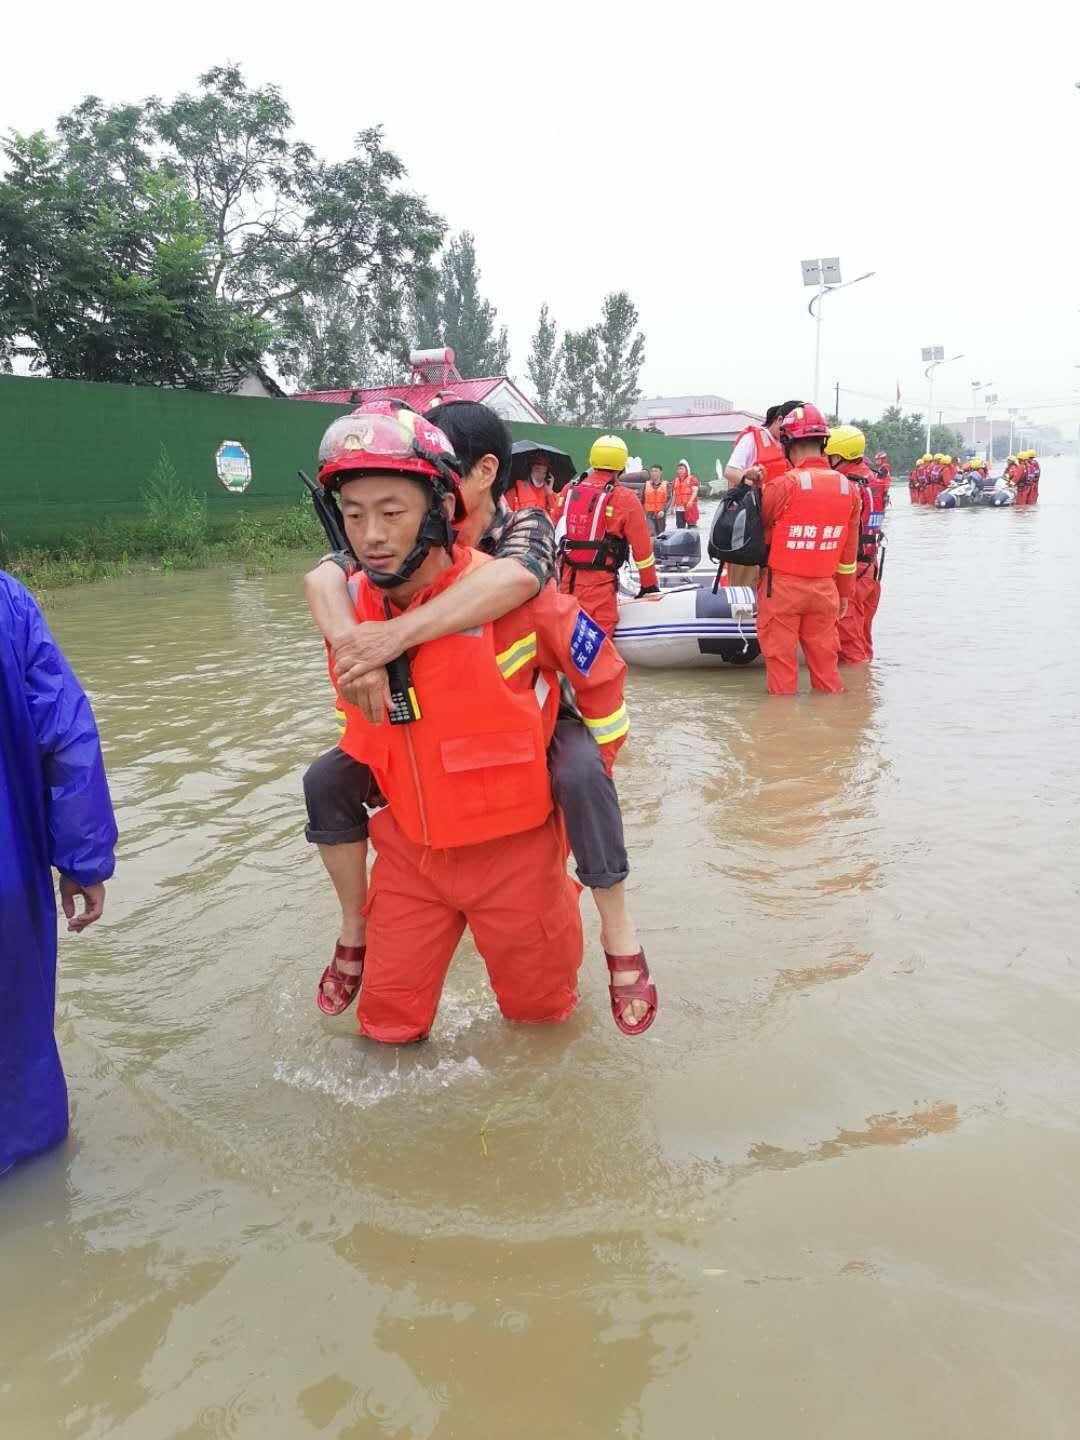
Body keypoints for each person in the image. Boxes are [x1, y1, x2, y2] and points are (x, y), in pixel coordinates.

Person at [303, 402, 654, 1036]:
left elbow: (603, 682)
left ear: (440, 510)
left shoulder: (520, 591)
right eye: (354, 516)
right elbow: (356, 715)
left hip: (517, 856)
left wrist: (578, 775)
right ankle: (352, 928)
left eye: (391, 513)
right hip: (411, 853)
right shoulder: (350, 608)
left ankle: (618, 931)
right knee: (385, 1030)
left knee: (544, 1026)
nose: (371, 536)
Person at [1, 572, 117, 1177]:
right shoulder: (7, 604)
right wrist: (82, 858)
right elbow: (67, 735)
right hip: (7, 883)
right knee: (15, 1044)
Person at [754, 403, 862, 695]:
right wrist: (844, 594)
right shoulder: (849, 489)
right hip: (825, 591)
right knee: (827, 671)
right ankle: (832, 732)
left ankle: (784, 733)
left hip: (782, 591)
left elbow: (757, 529)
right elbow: (848, 555)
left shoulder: (783, 485)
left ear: (788, 442)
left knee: (782, 673)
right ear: (823, 442)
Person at [557, 434, 658, 637]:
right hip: (599, 590)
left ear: (592, 460)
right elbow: (643, 551)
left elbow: (553, 531)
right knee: (597, 653)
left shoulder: (568, 490)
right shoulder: (625, 499)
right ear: (622, 465)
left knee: (566, 641)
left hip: (565, 585)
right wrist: (649, 586)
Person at [723, 401, 804, 584]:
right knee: (745, 586)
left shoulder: (790, 447)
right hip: (751, 524)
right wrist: (748, 477)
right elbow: (729, 471)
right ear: (780, 420)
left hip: (778, 527)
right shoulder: (752, 439)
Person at [824, 426, 884, 664]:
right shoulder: (873, 478)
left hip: (853, 571)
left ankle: (857, 693)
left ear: (838, 456)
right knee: (863, 634)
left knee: (848, 642)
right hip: (871, 568)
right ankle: (868, 691)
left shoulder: (847, 486)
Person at [642, 464, 669, 537]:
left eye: (656, 471)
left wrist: (663, 510)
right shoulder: (646, 484)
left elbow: (669, 499)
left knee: (661, 534)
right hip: (649, 514)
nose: (654, 473)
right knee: (651, 532)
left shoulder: (666, 485)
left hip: (660, 514)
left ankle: (659, 548)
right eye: (652, 471)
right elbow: (642, 499)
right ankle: (652, 548)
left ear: (661, 472)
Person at [670, 461, 695, 529]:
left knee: (691, 526)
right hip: (679, 507)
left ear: (686, 470)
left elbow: (695, 491)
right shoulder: (675, 481)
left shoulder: (691, 479)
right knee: (679, 527)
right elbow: (674, 495)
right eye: (678, 469)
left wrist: (690, 501)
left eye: (682, 469)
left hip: (689, 507)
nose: (680, 471)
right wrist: (672, 507)